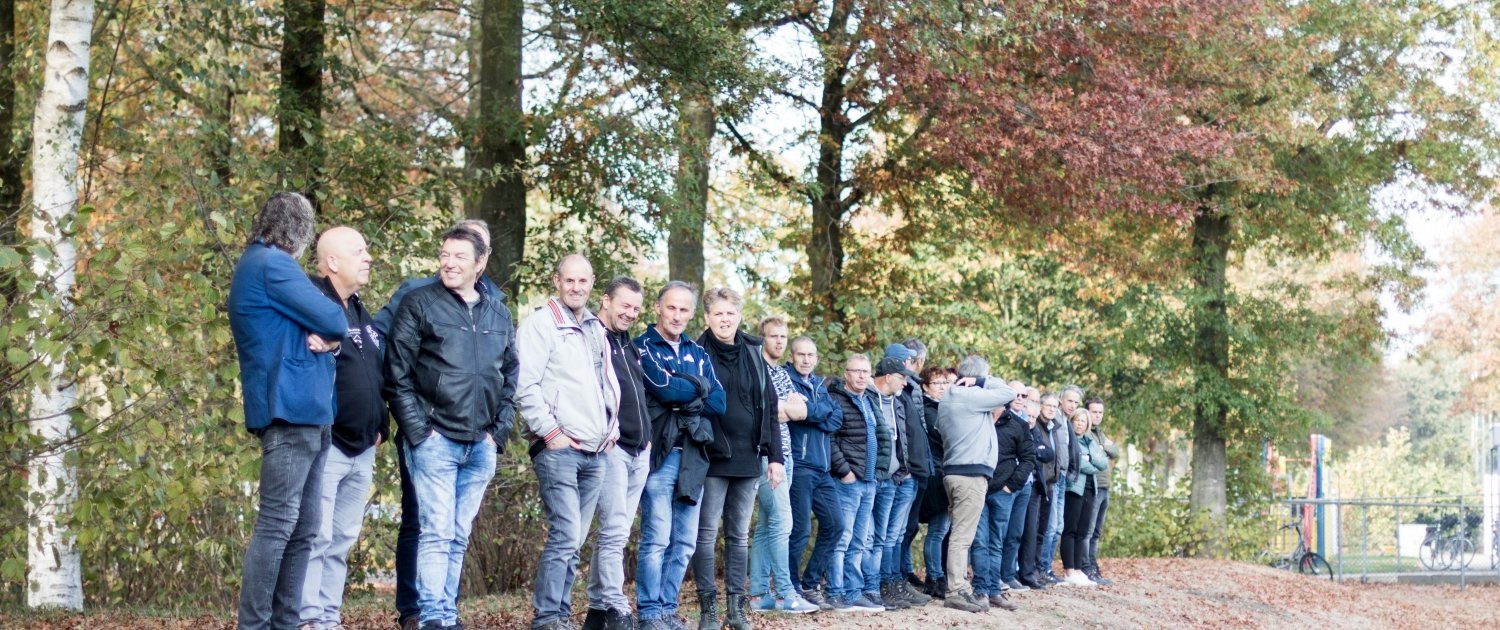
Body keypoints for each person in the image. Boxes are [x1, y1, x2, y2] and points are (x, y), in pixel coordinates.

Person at [384, 226, 519, 629]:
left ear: (480, 263)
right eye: (445, 254)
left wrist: (498, 433)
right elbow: (396, 374)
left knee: (458, 535)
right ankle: (431, 618)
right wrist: (420, 433)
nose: (449, 263)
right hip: (435, 440)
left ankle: (447, 614)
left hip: (481, 444)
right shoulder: (419, 303)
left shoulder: (499, 313)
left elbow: (510, 377)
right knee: (436, 532)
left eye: (460, 256)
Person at [229, 192, 347, 630]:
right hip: (290, 408)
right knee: (279, 524)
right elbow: (335, 318)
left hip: (307, 410)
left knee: (304, 527)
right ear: (300, 230)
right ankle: (256, 624)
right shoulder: (272, 265)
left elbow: (325, 329)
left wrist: (328, 341)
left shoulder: (259, 264)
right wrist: (329, 334)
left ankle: (285, 622)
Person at [516, 254, 621, 630]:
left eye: (583, 280)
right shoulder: (540, 325)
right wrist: (551, 432)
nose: (576, 287)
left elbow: (606, 383)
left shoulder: (595, 327)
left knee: (574, 539)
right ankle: (547, 618)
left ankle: (560, 616)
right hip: (559, 448)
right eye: (569, 280)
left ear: (592, 283)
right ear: (557, 281)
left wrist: (611, 429)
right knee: (564, 533)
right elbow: (524, 384)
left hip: (595, 450)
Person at [299, 227, 387, 630]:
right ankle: (307, 618)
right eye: (359, 251)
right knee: (315, 537)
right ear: (332, 262)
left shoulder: (359, 310)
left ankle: (328, 618)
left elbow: (372, 372)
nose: (368, 257)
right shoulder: (313, 303)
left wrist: (381, 424)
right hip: (328, 442)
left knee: (342, 539)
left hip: (363, 447)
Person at [693, 288, 785, 630]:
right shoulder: (696, 351)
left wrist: (775, 456)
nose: (725, 319)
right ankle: (708, 611)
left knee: (738, 535)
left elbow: (770, 406)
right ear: (707, 317)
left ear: (739, 316)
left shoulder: (753, 352)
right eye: (718, 313)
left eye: (730, 313)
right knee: (705, 534)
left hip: (749, 457)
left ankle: (736, 610)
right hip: (711, 456)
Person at [635, 281, 725, 630]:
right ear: (658, 308)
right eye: (671, 307)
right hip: (660, 457)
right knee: (657, 537)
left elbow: (719, 402)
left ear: (692, 314)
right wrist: (698, 387)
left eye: (684, 309)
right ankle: (649, 612)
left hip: (694, 456)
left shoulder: (698, 353)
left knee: (685, 541)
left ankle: (668, 609)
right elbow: (663, 389)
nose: (676, 315)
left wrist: (685, 389)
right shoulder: (643, 347)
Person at [582, 276, 652, 630]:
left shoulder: (629, 344)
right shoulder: (591, 339)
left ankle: (597, 611)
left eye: (636, 309)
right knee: (613, 531)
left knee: (618, 531)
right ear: (606, 300)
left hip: (640, 451)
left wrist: (648, 439)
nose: (630, 313)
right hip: (612, 448)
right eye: (625, 305)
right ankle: (616, 607)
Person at [747, 318, 820, 614]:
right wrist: (785, 408)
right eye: (773, 336)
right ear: (761, 338)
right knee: (782, 522)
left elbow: (801, 412)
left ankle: (758, 595)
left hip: (786, 456)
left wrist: (785, 409)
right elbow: (764, 412)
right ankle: (786, 593)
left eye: (783, 337)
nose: (778, 341)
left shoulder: (781, 372)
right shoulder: (756, 369)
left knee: (767, 525)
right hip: (766, 456)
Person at [936, 356, 1015, 614]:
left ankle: (960, 587)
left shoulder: (950, 398)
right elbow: (1008, 393)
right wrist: (982, 381)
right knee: (962, 536)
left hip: (956, 471)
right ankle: (956, 590)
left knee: (960, 534)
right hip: (969, 474)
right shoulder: (969, 396)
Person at [783, 337, 844, 609]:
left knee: (836, 525)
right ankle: (791, 586)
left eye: (810, 355)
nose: (806, 360)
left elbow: (836, 418)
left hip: (823, 469)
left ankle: (810, 582)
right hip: (800, 465)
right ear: (792, 356)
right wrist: (815, 412)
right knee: (800, 530)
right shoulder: (787, 380)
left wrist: (808, 411)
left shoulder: (820, 385)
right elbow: (795, 415)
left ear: (816, 358)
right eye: (801, 355)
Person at [825, 354, 885, 613]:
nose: (861, 376)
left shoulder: (868, 400)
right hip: (848, 482)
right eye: (856, 371)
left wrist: (877, 473)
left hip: (869, 482)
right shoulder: (837, 400)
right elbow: (829, 439)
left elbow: (880, 438)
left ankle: (853, 592)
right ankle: (835, 593)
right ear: (846, 374)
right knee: (842, 539)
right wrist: (844, 471)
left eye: (865, 372)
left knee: (859, 542)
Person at [868, 355, 923, 610]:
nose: (905, 383)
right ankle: (875, 586)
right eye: (902, 378)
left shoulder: (898, 401)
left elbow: (902, 439)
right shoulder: (868, 398)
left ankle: (890, 585)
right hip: (872, 478)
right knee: (872, 538)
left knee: (888, 537)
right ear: (888, 376)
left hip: (895, 477)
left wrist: (904, 468)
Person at [971, 381, 1030, 610]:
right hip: (977, 488)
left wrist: (1011, 486)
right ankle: (981, 590)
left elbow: (1028, 459)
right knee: (979, 541)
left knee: (996, 542)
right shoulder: (978, 418)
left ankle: (994, 591)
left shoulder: (1018, 425)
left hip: (1002, 492)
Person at [892, 343, 934, 606]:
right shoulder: (898, 392)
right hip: (906, 471)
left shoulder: (911, 388)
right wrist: (906, 467)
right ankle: (894, 581)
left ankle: (900, 578)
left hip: (920, 467)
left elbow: (919, 431)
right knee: (895, 532)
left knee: (907, 529)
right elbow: (901, 435)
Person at [917, 366, 956, 599]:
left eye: (945, 382)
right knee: (937, 531)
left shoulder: (943, 407)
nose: (942, 387)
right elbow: (944, 436)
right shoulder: (928, 409)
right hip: (935, 475)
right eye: (937, 383)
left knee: (940, 530)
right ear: (925, 386)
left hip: (944, 471)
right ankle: (935, 578)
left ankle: (936, 578)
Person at [1061, 408, 1106, 587]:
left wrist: (1089, 458)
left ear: (1087, 425)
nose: (1079, 424)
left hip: (1090, 488)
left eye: (1083, 421)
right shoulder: (1069, 440)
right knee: (1070, 530)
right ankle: (1069, 570)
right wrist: (1090, 462)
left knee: (1083, 531)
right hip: (1074, 488)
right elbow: (1077, 463)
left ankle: (1079, 569)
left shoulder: (1089, 441)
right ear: (1071, 421)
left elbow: (1103, 462)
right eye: (1077, 420)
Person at [1037, 391, 1078, 584]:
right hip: (1052, 477)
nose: (1072, 405)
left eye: (1076, 402)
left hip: (1061, 476)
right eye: (1069, 400)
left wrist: (1069, 472)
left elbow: (1068, 451)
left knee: (1058, 527)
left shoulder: (1064, 423)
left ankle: (1047, 567)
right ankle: (1042, 568)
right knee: (1051, 526)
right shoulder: (1053, 421)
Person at [1015, 390, 1054, 591]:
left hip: (1035, 487)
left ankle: (1027, 573)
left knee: (1031, 531)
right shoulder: (1018, 428)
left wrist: (1034, 451)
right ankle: (1012, 573)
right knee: (1015, 532)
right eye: (1028, 416)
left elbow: (1049, 453)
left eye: (1032, 416)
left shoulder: (1035, 431)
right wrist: (1035, 451)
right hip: (1017, 484)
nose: (1030, 420)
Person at [1083, 396, 1119, 586]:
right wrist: (1103, 448)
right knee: (1088, 530)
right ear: (1087, 412)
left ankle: (1093, 566)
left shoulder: (1100, 433)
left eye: (1100, 412)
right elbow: (1094, 457)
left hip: (1105, 486)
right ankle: (1086, 567)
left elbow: (1115, 451)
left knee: (1096, 531)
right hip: (1093, 486)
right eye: (1094, 412)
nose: (1097, 416)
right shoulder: (1085, 433)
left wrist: (1103, 447)